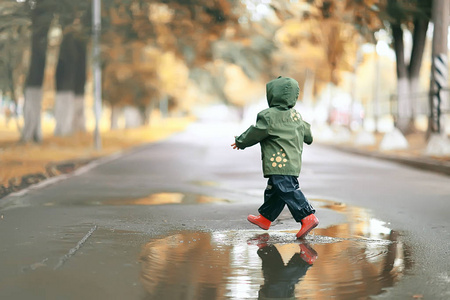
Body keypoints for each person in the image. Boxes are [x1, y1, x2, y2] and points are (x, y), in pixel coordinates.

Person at [231, 76, 318, 239]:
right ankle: (265, 218)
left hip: (278, 163)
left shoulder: (268, 116)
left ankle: (307, 216)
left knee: (286, 189)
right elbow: (309, 136)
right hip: (292, 163)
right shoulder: (296, 116)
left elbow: (255, 132)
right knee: (275, 191)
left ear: (272, 95)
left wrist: (240, 142)